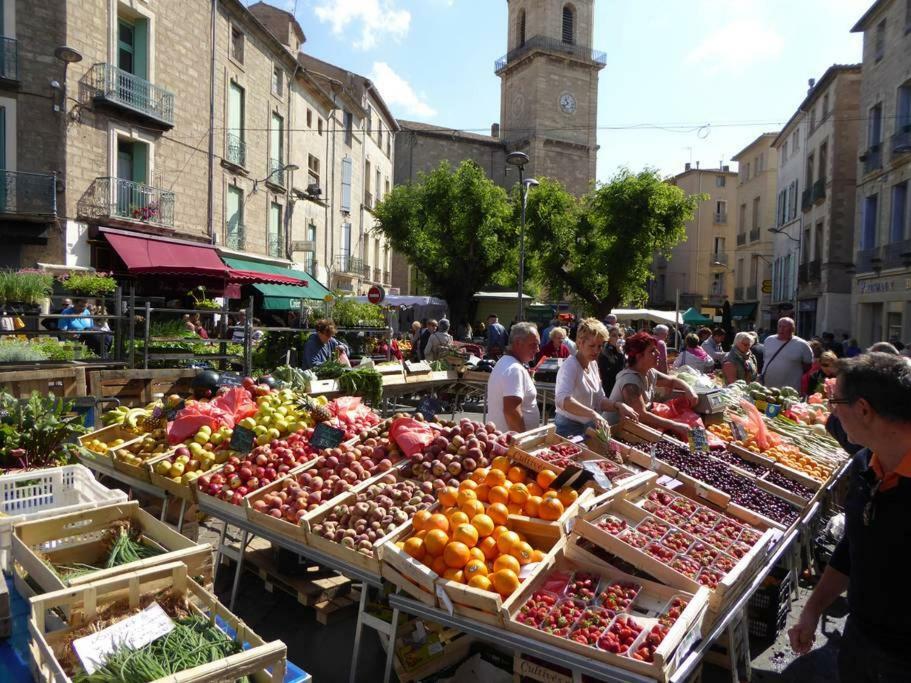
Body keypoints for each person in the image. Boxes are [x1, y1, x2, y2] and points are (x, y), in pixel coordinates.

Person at [789, 353, 911, 682]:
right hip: (860, 640)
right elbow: (854, 544)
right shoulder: (864, 464)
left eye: (835, 400)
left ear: (863, 410)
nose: (831, 410)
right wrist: (813, 608)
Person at [554, 318, 639, 437]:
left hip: (588, 427)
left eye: (600, 346)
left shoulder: (593, 364)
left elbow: (599, 400)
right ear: (579, 342)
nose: (596, 350)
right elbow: (562, 400)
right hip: (567, 430)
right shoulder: (570, 366)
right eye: (592, 346)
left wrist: (618, 406)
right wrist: (593, 414)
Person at [608, 331, 698, 439]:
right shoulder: (630, 382)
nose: (658, 353)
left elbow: (672, 381)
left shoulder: (649, 372)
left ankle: (702, 450)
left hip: (635, 429)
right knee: (682, 428)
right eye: (652, 351)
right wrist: (674, 425)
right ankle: (698, 448)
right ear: (639, 356)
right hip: (616, 433)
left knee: (693, 422)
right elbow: (641, 415)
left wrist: (689, 390)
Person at [486, 323, 541, 433]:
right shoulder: (514, 369)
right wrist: (522, 441)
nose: (538, 349)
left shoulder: (506, 363)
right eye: (533, 345)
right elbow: (511, 411)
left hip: (505, 441)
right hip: (510, 444)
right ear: (518, 343)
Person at [760, 317, 813, 391]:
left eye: (785, 327)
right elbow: (765, 359)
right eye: (779, 326)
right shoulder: (769, 340)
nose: (781, 329)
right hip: (768, 387)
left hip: (790, 389)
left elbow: (808, 366)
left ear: (793, 329)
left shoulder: (802, 344)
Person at [597, 325, 625, 396]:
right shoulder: (604, 352)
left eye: (619, 335)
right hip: (608, 389)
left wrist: (620, 353)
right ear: (608, 338)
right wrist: (620, 354)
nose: (617, 338)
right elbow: (614, 371)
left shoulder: (619, 350)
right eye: (614, 335)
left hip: (619, 387)